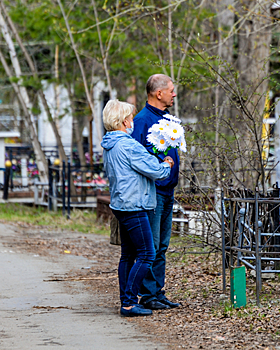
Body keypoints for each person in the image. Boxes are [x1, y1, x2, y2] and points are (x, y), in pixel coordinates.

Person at [101, 99, 174, 317]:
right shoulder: (129, 145)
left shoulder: (109, 144)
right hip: (135, 204)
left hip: (121, 204)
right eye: (130, 117)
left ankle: (127, 300)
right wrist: (167, 163)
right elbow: (157, 171)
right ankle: (129, 302)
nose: (133, 121)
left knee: (128, 255)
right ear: (124, 121)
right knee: (147, 254)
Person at [131, 74, 181, 310]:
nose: (174, 94)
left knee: (162, 244)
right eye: (170, 90)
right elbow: (136, 155)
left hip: (168, 189)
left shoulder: (167, 118)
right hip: (153, 191)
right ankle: (148, 294)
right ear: (158, 93)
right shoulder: (142, 121)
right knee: (151, 245)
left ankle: (157, 292)